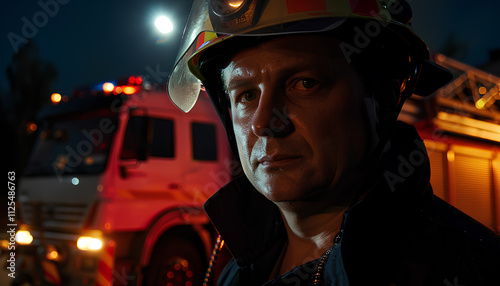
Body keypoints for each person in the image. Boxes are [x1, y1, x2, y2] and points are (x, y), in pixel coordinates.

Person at [167, 0, 500, 285]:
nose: (265, 122)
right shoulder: (238, 270)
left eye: (305, 83)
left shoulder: (469, 269)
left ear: (382, 96)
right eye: (247, 95)